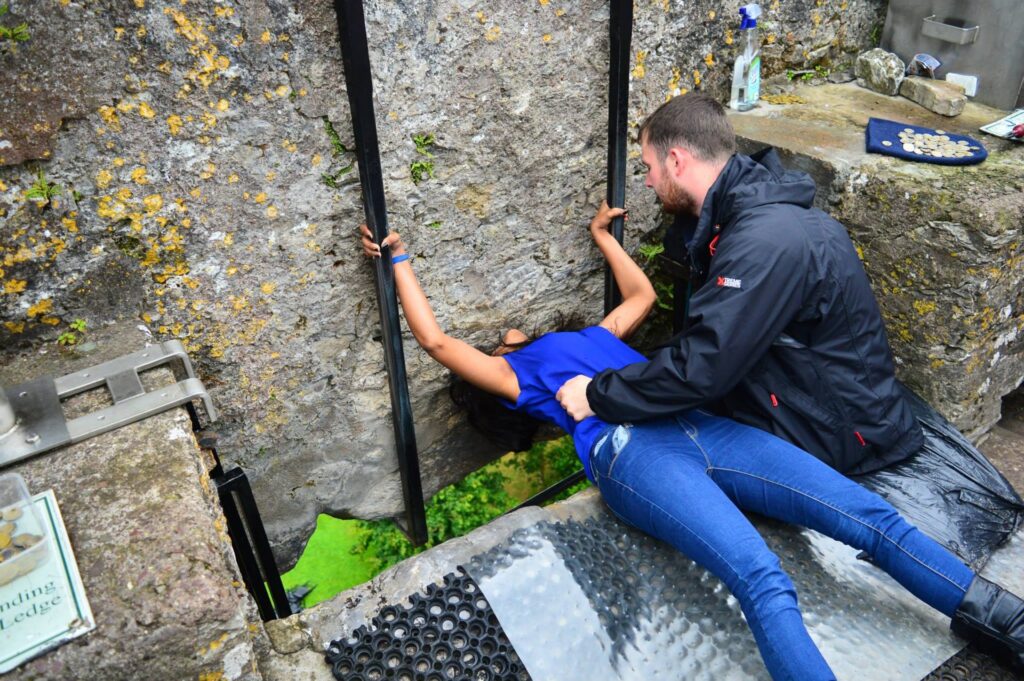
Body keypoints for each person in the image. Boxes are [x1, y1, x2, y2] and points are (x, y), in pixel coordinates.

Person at [358, 212, 1024, 680]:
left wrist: (602, 237)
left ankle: (1009, 624)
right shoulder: (521, 378)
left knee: (868, 516)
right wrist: (399, 260)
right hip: (633, 453)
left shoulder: (594, 337)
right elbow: (439, 342)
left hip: (700, 422)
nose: (496, 332)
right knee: (761, 575)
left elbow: (641, 293)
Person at [555, 92, 922, 477]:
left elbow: (704, 367)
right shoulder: (744, 219)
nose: (647, 182)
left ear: (676, 160)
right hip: (807, 404)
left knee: (646, 462)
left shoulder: (761, 242)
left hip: (835, 438)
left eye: (649, 167)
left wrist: (598, 396)